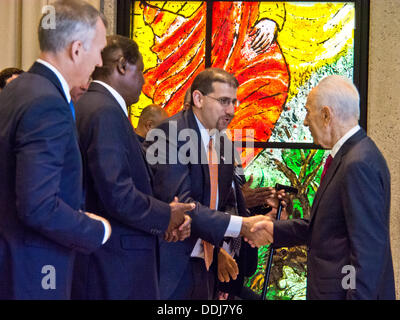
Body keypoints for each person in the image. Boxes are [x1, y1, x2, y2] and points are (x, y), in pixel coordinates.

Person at [0, 0, 112, 299]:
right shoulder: (47, 102)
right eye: (99, 50)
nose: (100, 62)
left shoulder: (19, 88)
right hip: (32, 270)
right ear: (77, 49)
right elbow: (37, 205)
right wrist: (96, 230)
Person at [248, 75, 395, 300]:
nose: (305, 122)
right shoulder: (350, 156)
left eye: (308, 112)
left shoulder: (358, 164)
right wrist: (274, 230)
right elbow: (328, 228)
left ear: (326, 115)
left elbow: (367, 255)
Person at [71, 35, 194, 300]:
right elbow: (116, 193)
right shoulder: (104, 110)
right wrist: (166, 215)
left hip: (107, 259)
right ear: (123, 65)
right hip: (113, 265)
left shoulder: (92, 105)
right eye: (141, 71)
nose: (144, 80)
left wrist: (164, 221)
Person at [146, 68, 275, 300]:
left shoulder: (224, 145)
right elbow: (182, 205)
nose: (232, 110)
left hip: (208, 266)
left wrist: (261, 213)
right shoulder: (169, 134)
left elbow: (224, 205)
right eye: (224, 101)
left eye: (234, 102)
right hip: (170, 264)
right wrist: (243, 225)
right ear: (198, 99)